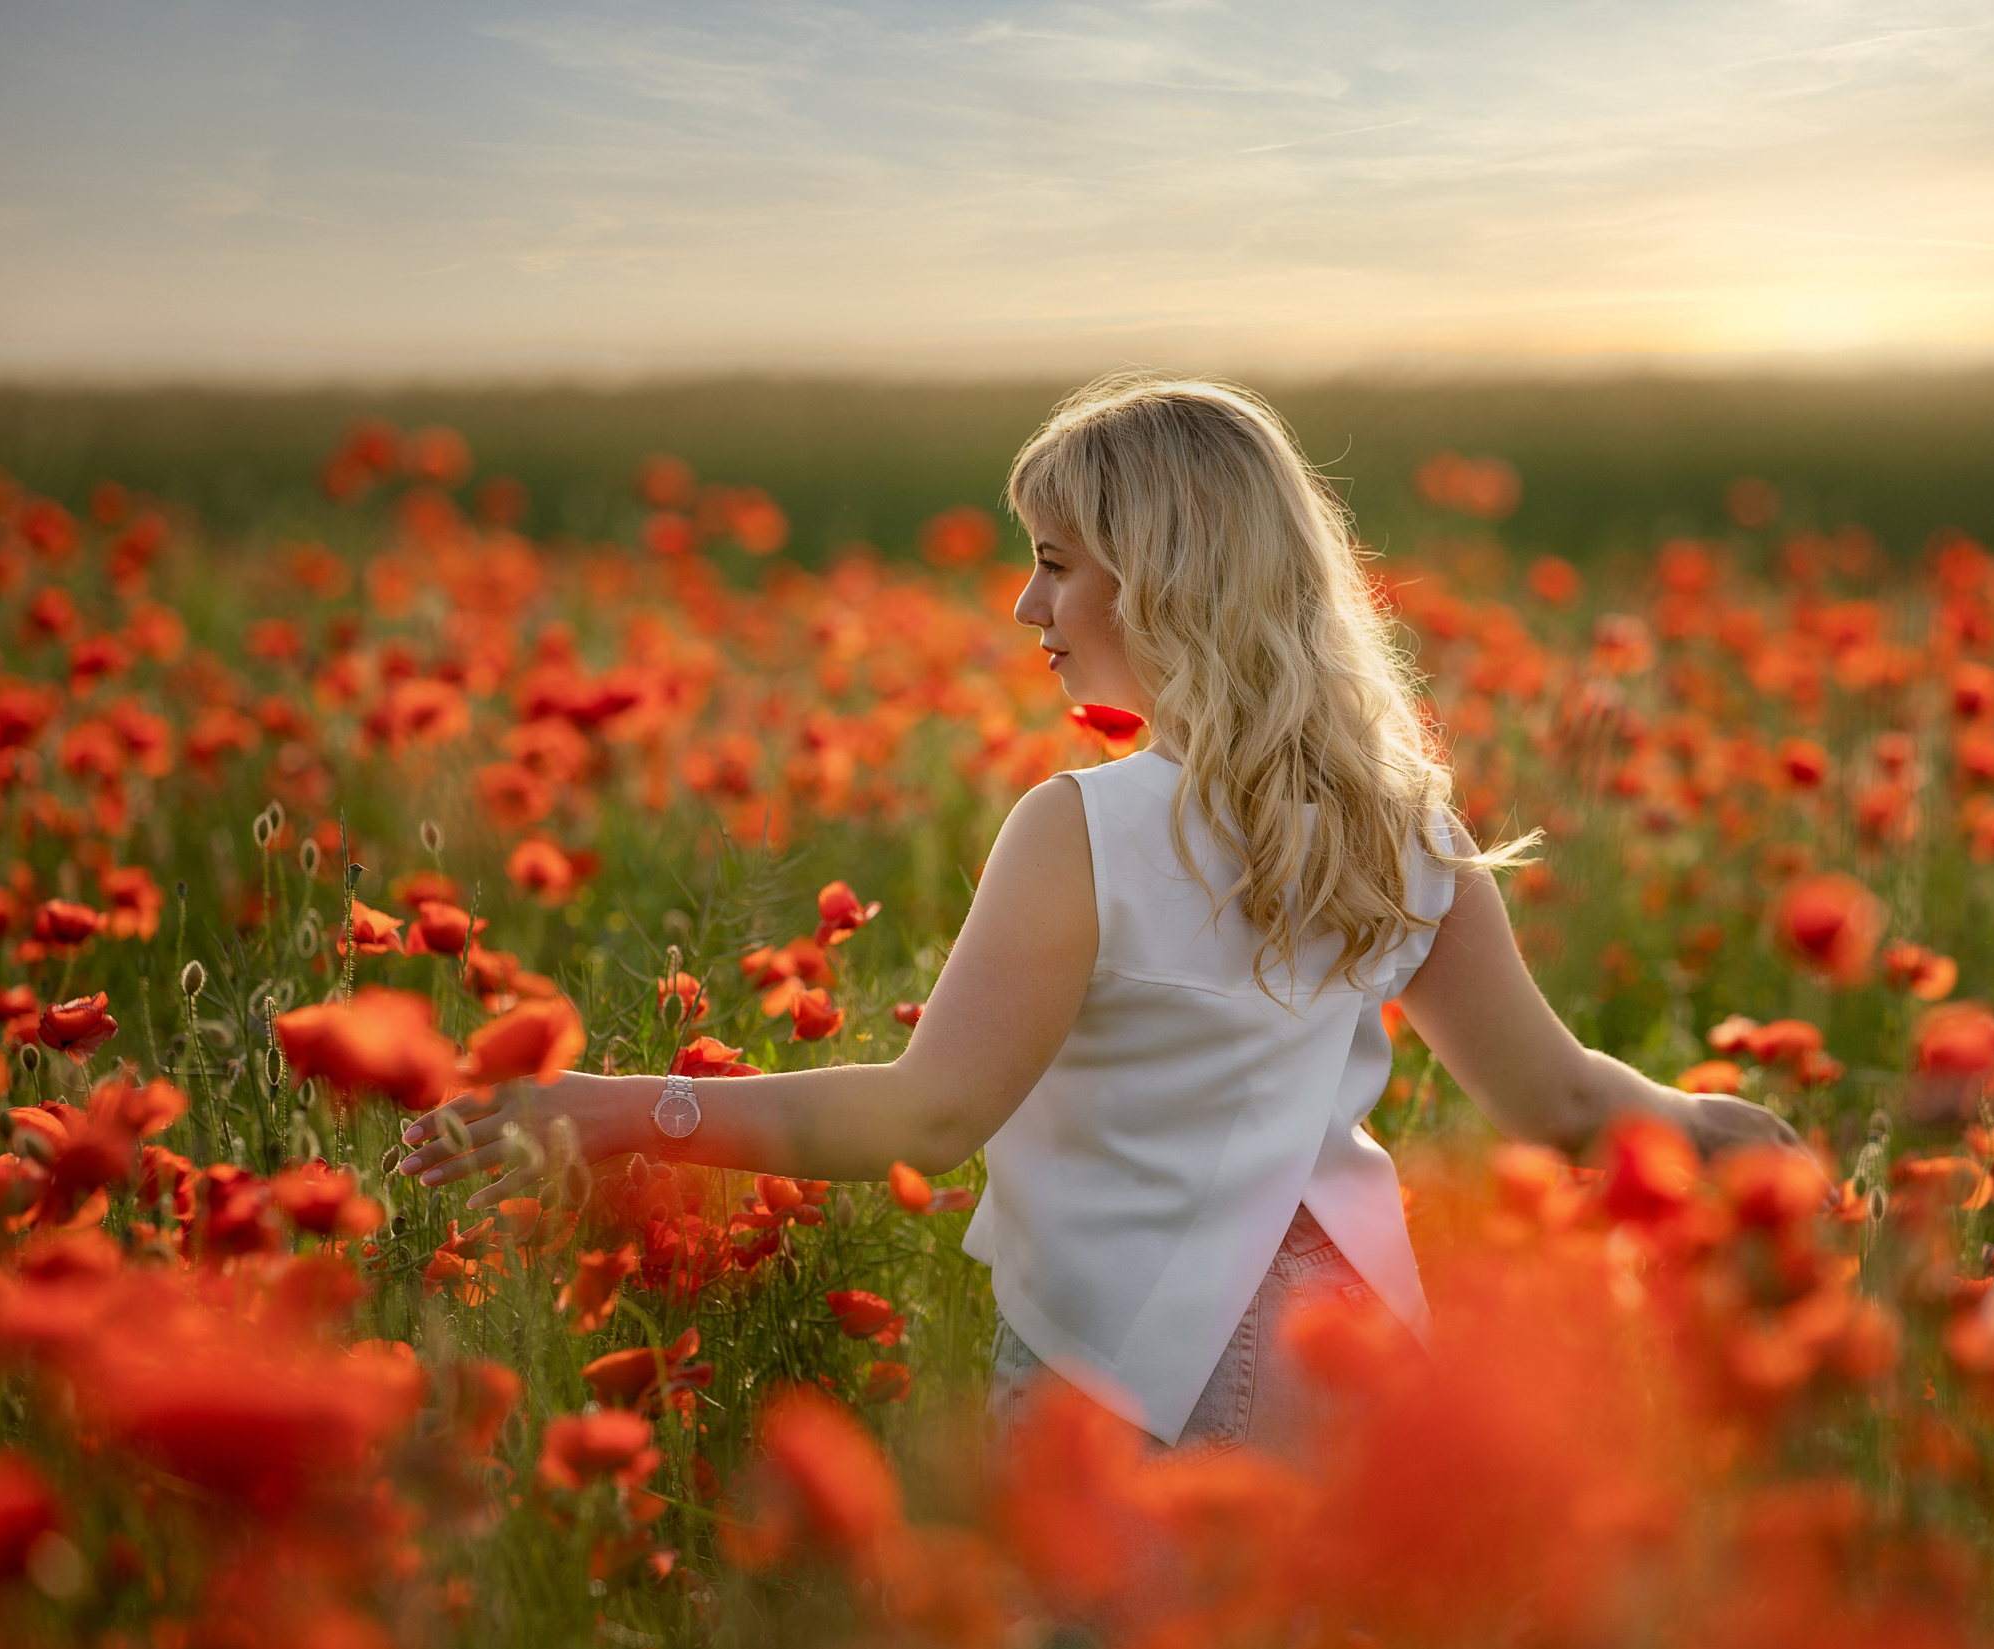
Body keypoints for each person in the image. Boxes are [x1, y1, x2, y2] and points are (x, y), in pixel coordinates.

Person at [396, 374, 1800, 1468]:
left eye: (1058, 564)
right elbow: (1558, 1097)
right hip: (1359, 1341)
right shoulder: (1404, 829)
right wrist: (1711, 1125)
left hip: (1152, 1368)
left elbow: (928, 1120)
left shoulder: (1086, 832)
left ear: (1168, 576)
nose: (1027, 606)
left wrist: (619, 1109)